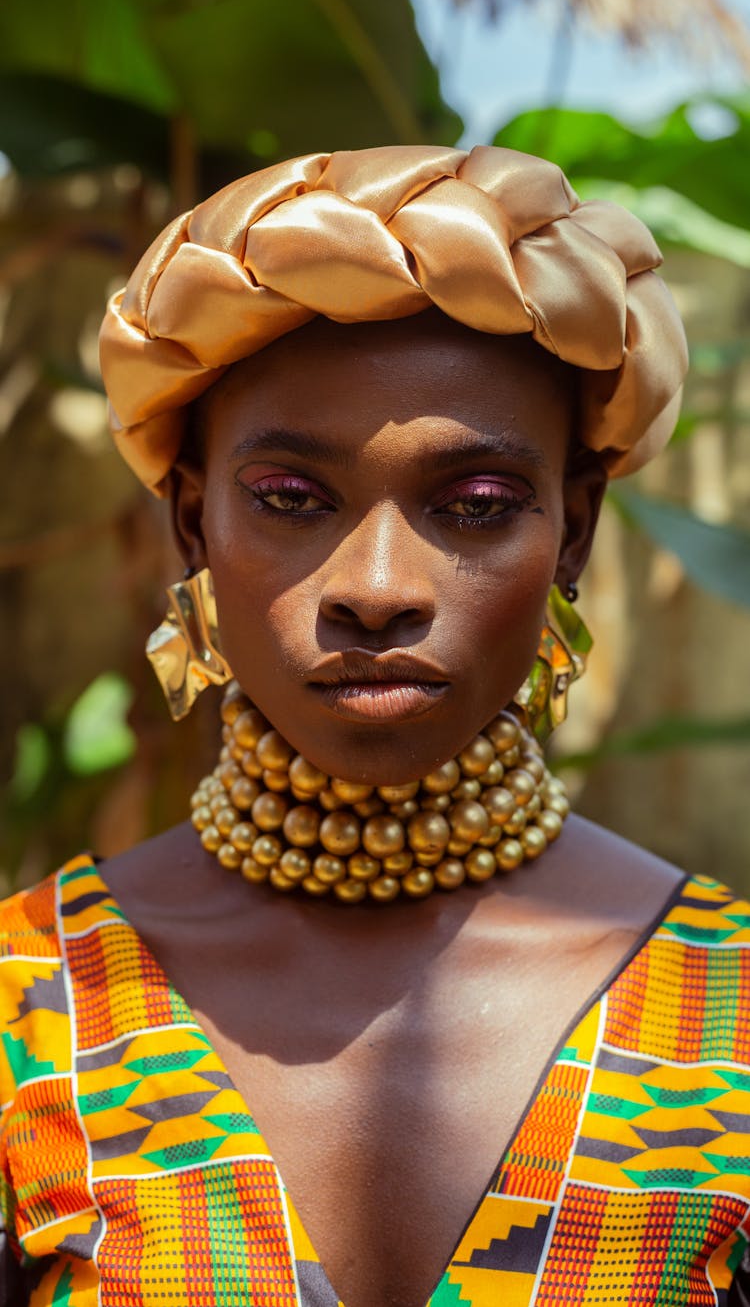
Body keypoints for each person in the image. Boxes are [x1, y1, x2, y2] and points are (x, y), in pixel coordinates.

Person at [1, 145, 748, 1307]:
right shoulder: (28, 998)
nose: (381, 585)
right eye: (294, 500)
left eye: (478, 506)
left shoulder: (733, 1004)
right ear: (194, 527)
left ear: (576, 533)